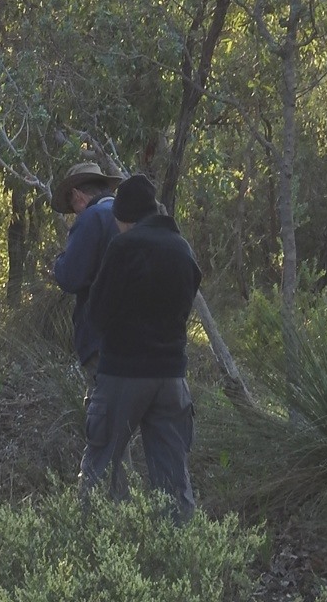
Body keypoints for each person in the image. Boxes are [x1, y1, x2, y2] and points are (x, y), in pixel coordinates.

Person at [78, 174, 202, 521]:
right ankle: (176, 560)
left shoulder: (124, 247)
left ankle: (97, 549)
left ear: (124, 216)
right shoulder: (182, 248)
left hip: (123, 373)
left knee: (100, 468)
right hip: (172, 378)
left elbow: (98, 315)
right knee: (173, 478)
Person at [52, 162, 122, 399]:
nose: (75, 213)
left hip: (100, 335)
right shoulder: (132, 215)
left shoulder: (92, 217)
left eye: (72, 206)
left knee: (104, 417)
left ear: (77, 195)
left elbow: (71, 277)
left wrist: (59, 261)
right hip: (140, 335)